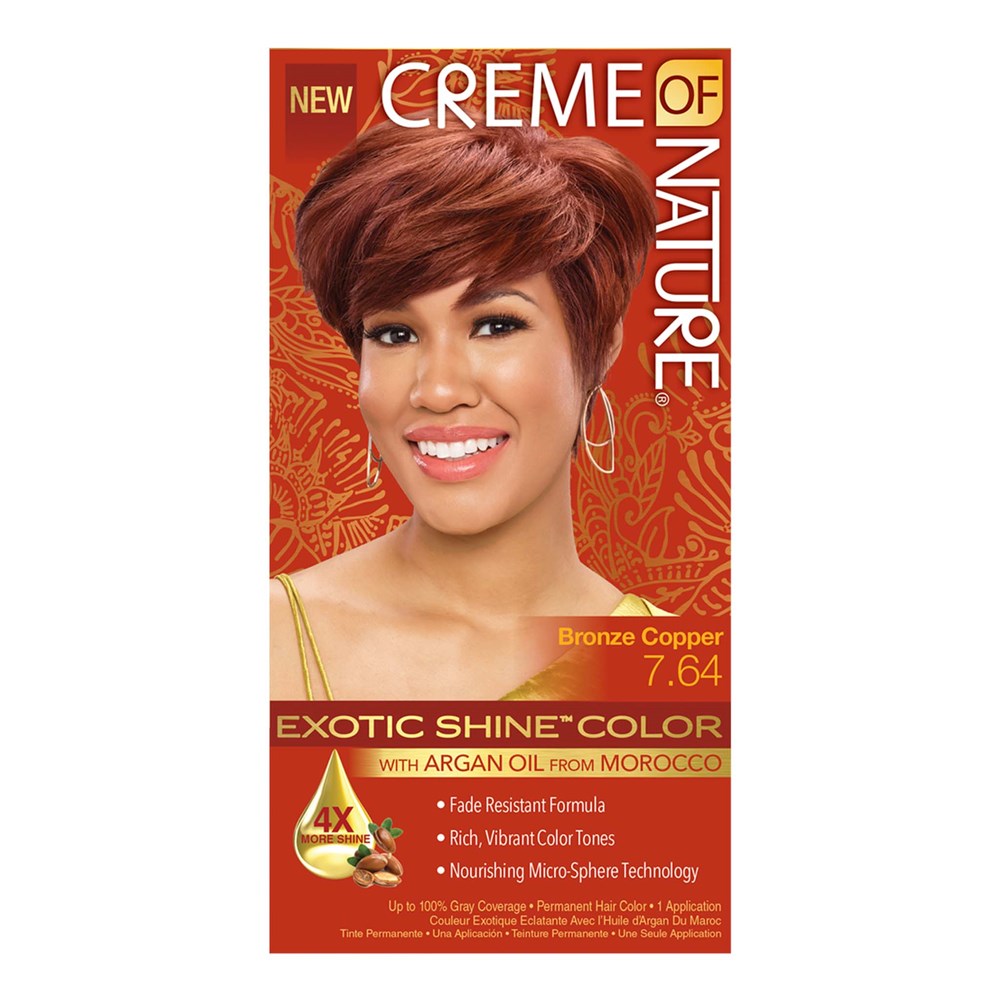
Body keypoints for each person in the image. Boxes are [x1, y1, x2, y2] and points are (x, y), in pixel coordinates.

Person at [270, 116, 669, 702]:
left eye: (495, 325)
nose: (437, 390)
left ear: (599, 346)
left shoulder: (683, 676)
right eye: (396, 334)